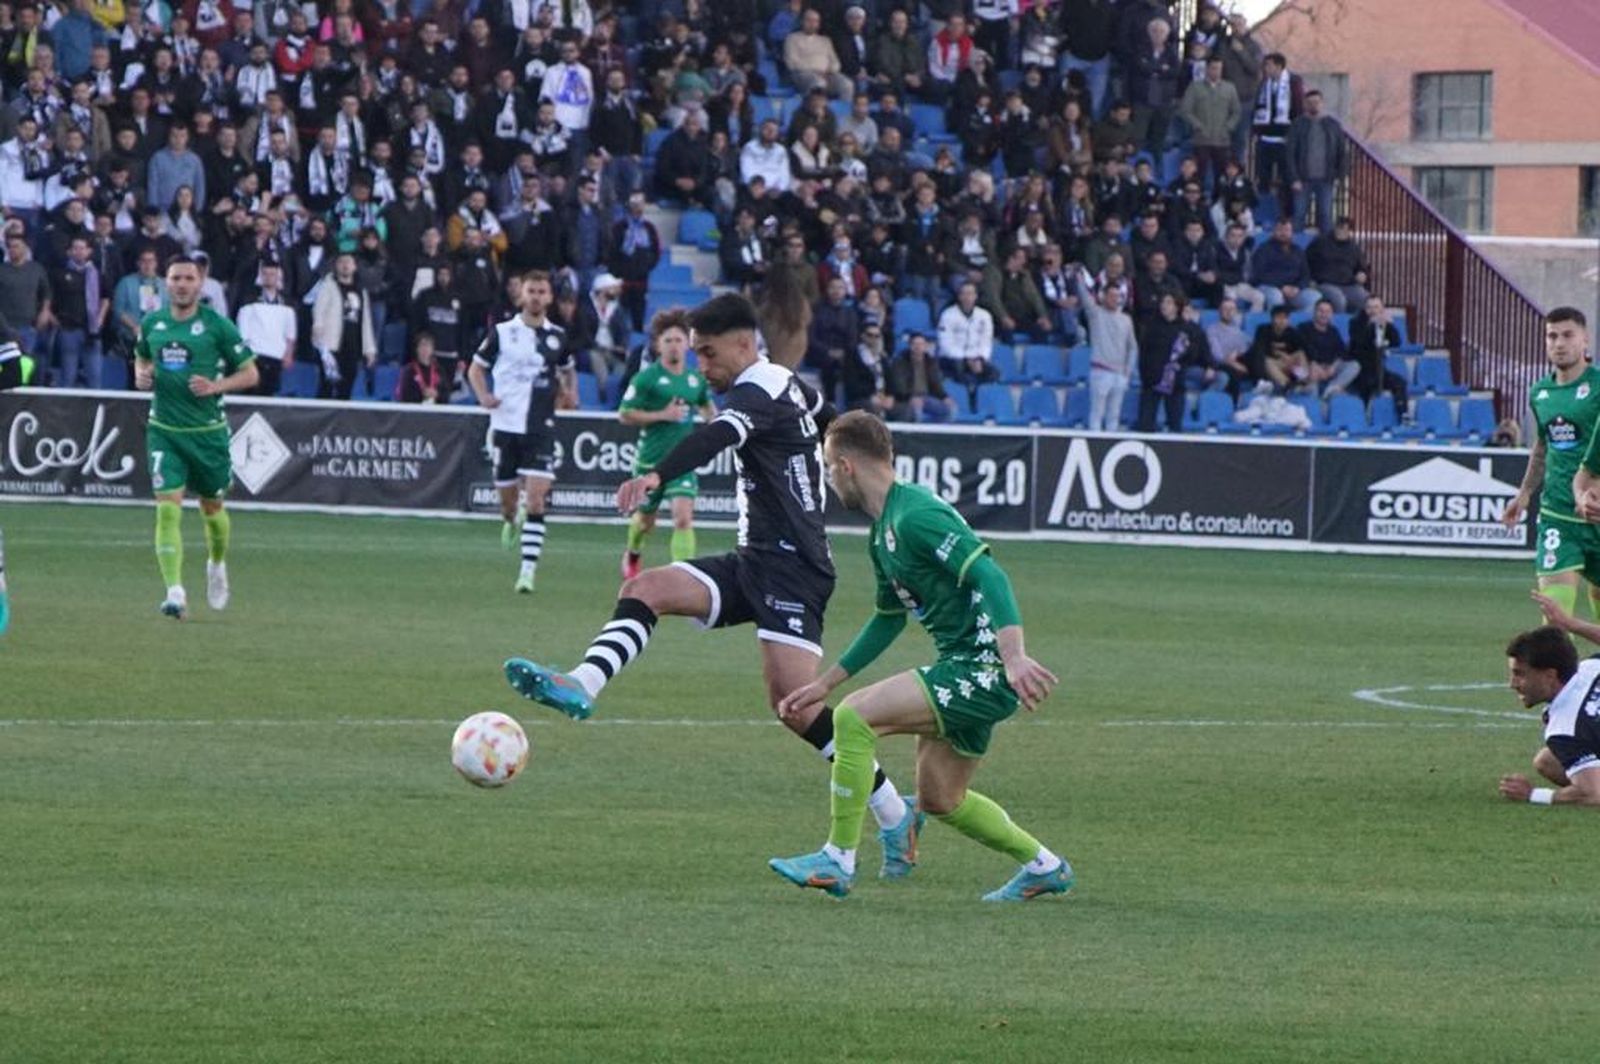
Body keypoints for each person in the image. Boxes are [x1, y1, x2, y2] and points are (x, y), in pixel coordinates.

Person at [501, 294, 917, 872]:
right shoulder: (788, 384)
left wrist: (656, 475)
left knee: (795, 707)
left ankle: (895, 813)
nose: (701, 366)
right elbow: (834, 421)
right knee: (645, 589)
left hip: (795, 571)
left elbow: (718, 435)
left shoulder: (758, 389)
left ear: (744, 344)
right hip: (754, 560)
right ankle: (583, 683)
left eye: (708, 353)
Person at [768, 411, 1071, 901]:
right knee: (941, 798)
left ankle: (837, 859)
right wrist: (824, 684)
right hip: (966, 666)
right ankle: (1045, 867)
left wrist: (1013, 657)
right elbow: (888, 618)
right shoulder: (883, 533)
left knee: (852, 719)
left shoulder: (916, 516)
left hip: (983, 668)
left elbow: (990, 575)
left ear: (846, 465)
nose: (828, 480)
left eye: (827, 468)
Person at [132, 255, 259, 620]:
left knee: (212, 510)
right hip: (164, 431)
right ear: (166, 282)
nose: (182, 284)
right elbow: (141, 358)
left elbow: (250, 374)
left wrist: (216, 386)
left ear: (200, 283)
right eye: (176, 278)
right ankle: (174, 591)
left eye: (189, 278)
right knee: (167, 510)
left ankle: (216, 563)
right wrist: (142, 374)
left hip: (207, 435)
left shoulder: (218, 326)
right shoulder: (152, 322)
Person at [466, 271, 576, 593]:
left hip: (541, 427)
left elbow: (567, 370)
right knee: (509, 504)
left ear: (550, 297)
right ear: (521, 295)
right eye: (532, 291)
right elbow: (476, 369)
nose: (537, 296)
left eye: (542, 291)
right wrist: (484, 396)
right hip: (505, 425)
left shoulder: (558, 337)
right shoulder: (502, 332)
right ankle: (510, 519)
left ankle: (527, 571)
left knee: (537, 500)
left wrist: (570, 393)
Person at [1506, 308, 1600, 622]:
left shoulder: (1598, 386)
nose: (1559, 343)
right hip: (1558, 515)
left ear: (1585, 339)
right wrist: (1524, 493)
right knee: (1555, 619)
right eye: (1552, 336)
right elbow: (1543, 445)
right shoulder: (1540, 392)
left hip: (1597, 513)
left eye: (1568, 335)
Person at [617, 309, 715, 580]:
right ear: (658, 345)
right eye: (668, 340)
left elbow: (707, 407)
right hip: (650, 462)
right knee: (645, 523)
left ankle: (682, 577)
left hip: (682, 462)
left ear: (688, 344)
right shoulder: (646, 378)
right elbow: (624, 414)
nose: (674, 345)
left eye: (678, 340)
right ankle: (633, 552)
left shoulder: (695, 379)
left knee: (683, 518)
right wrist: (663, 415)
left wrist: (718, 424)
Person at [1497, 624, 1600, 807]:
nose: (1512, 684)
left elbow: (1594, 795)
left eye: (1519, 674)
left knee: (1549, 763)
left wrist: (1533, 794)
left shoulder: (1565, 729)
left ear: (1550, 676)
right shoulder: (1591, 666)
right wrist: (1569, 622)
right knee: (1547, 760)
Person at [1074, 263, 1137, 431]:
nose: (1115, 299)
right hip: (1101, 370)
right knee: (1097, 413)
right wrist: (1079, 279)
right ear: (1103, 297)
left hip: (1119, 374)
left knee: (1114, 415)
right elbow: (1085, 298)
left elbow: (1132, 347)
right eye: (1111, 296)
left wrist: (1128, 371)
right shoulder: (1096, 314)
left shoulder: (1126, 320)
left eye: (1118, 296)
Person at [235, 261, 296, 396]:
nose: (268, 277)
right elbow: (242, 332)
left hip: (276, 355)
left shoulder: (287, 303)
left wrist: (288, 354)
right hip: (255, 355)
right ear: (260, 276)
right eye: (265, 274)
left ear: (278, 277)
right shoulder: (249, 300)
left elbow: (290, 334)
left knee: (269, 393)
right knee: (251, 392)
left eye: (272, 274)